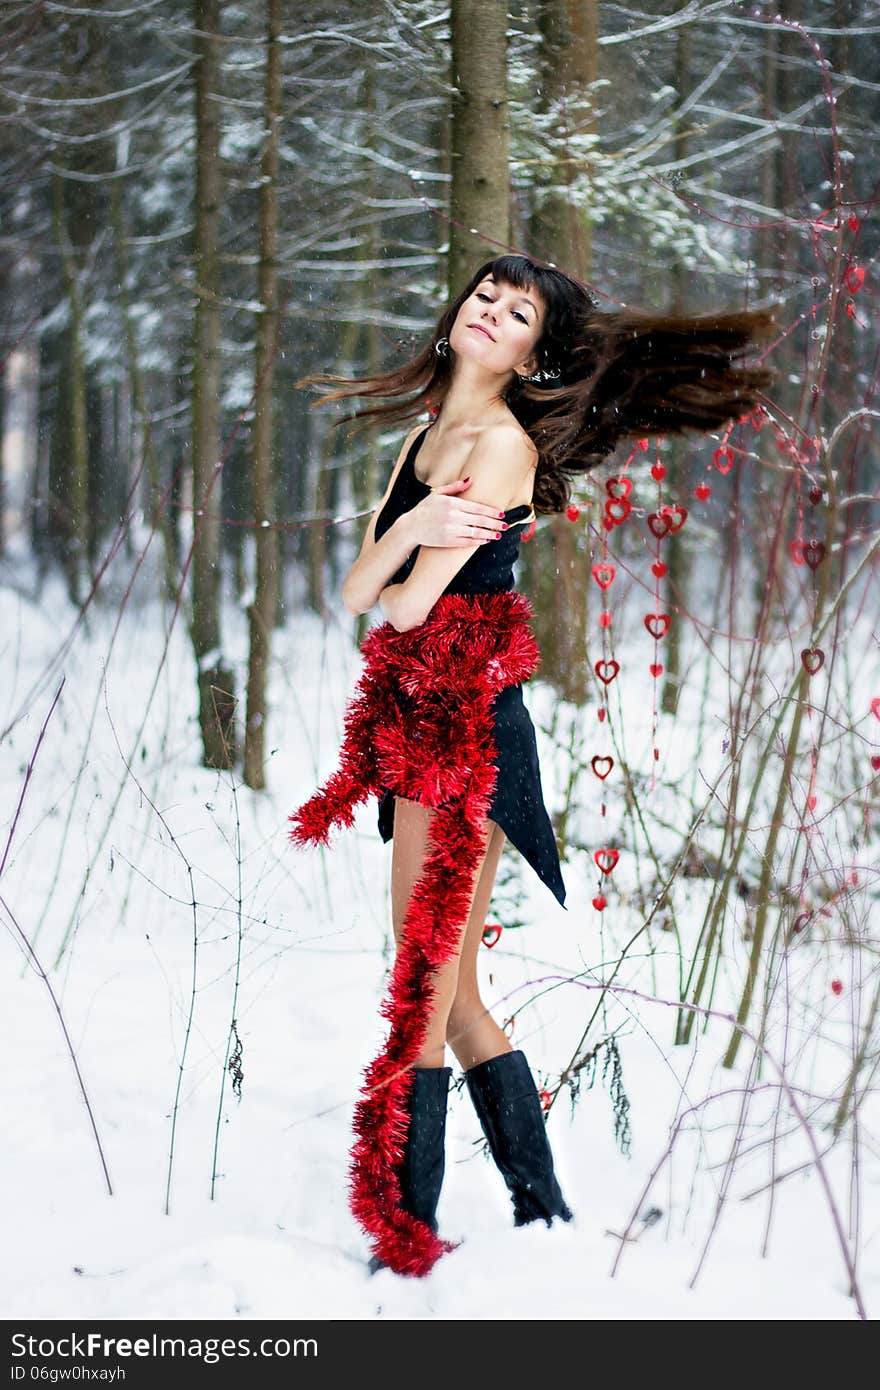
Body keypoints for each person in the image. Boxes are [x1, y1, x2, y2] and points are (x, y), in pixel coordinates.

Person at [288, 253, 777, 1278]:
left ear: (530, 351)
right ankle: (544, 1216)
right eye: (483, 297)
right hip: (422, 722)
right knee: (450, 993)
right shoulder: (430, 437)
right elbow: (353, 589)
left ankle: (404, 1243)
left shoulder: (501, 446)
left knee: (421, 985)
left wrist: (407, 547)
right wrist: (416, 527)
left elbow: (406, 604)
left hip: (467, 737)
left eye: (515, 313)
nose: (490, 314)